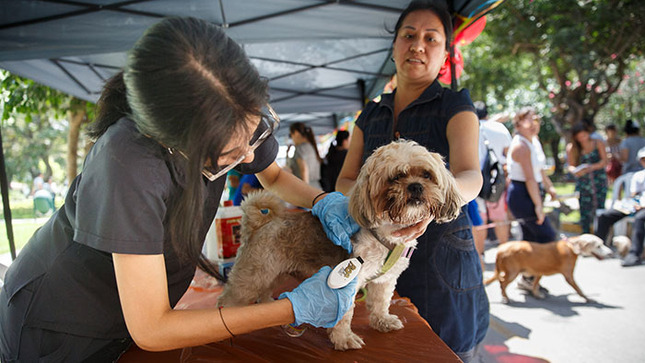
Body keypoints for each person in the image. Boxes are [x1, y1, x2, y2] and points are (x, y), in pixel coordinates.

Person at [0, 17, 360, 361]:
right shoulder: (128, 163)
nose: (249, 154)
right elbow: (153, 327)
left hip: (130, 322)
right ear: (177, 145)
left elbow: (274, 176)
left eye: (252, 134)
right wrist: (290, 309)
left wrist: (323, 199)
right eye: (230, 153)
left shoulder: (232, 108)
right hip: (59, 326)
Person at [336, 1, 488, 360]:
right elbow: (345, 179)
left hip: (441, 260)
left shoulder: (455, 105)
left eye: (431, 38)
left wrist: (435, 206)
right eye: (409, 35)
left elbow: (470, 174)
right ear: (394, 47)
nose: (418, 45)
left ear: (445, 52)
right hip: (375, 256)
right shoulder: (369, 114)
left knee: (447, 350)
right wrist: (365, 201)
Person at [506, 106, 559, 292]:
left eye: (536, 119)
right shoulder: (520, 145)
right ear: (519, 123)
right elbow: (529, 178)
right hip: (522, 194)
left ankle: (528, 278)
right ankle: (531, 277)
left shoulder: (533, 141)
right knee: (546, 236)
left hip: (532, 191)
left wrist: (550, 188)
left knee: (530, 237)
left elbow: (539, 171)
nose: (534, 124)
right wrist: (538, 205)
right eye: (529, 120)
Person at [595, 147, 645, 267]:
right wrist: (636, 203)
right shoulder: (639, 175)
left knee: (640, 219)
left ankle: (634, 254)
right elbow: (634, 195)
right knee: (605, 216)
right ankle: (597, 247)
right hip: (637, 203)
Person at [475, 101, 512, 246]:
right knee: (500, 219)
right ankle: (505, 251)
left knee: (480, 220)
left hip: (476, 180)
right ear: (487, 113)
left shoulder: (470, 127)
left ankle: (481, 256)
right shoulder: (499, 128)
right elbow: (508, 154)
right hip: (497, 179)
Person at [565, 122, 608, 234]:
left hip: (598, 180)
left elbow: (604, 161)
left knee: (600, 208)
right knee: (585, 210)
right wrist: (575, 171)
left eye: (584, 135)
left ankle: (600, 234)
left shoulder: (598, 143)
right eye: (579, 137)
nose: (582, 139)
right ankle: (585, 235)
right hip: (584, 182)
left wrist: (592, 167)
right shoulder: (572, 148)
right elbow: (570, 165)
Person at [287, 122, 323, 189]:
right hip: (317, 187)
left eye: (291, 135)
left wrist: (305, 189)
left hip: (306, 187)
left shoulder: (299, 148)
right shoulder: (311, 147)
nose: (291, 138)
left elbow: (304, 170)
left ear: (296, 133)